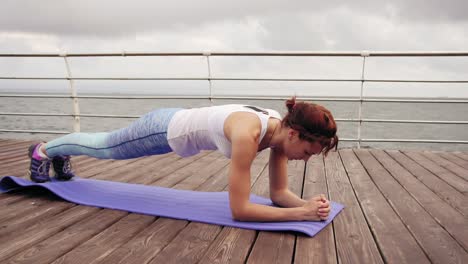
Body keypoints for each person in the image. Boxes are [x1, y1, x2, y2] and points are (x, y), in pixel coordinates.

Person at [28, 97, 338, 222]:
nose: (306, 159)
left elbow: (278, 194)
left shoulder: (280, 133)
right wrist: (300, 216)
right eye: (309, 152)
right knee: (105, 148)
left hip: (174, 123)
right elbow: (240, 210)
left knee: (103, 146)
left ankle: (56, 153)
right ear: (296, 134)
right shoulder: (249, 134)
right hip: (160, 130)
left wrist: (307, 205)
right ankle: (44, 150)